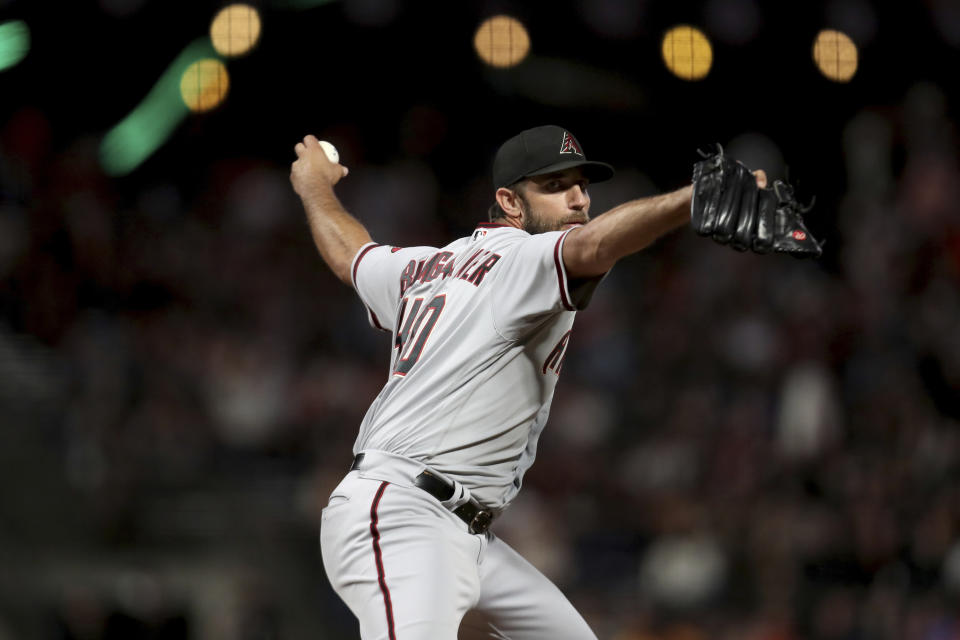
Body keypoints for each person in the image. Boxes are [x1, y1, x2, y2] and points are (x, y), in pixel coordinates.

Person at [289, 125, 767, 639]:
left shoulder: (425, 265)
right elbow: (595, 243)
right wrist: (690, 200)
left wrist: (314, 187)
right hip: (403, 517)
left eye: (582, 185)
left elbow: (352, 256)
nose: (579, 198)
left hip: (463, 531)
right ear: (509, 203)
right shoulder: (520, 258)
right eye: (557, 186)